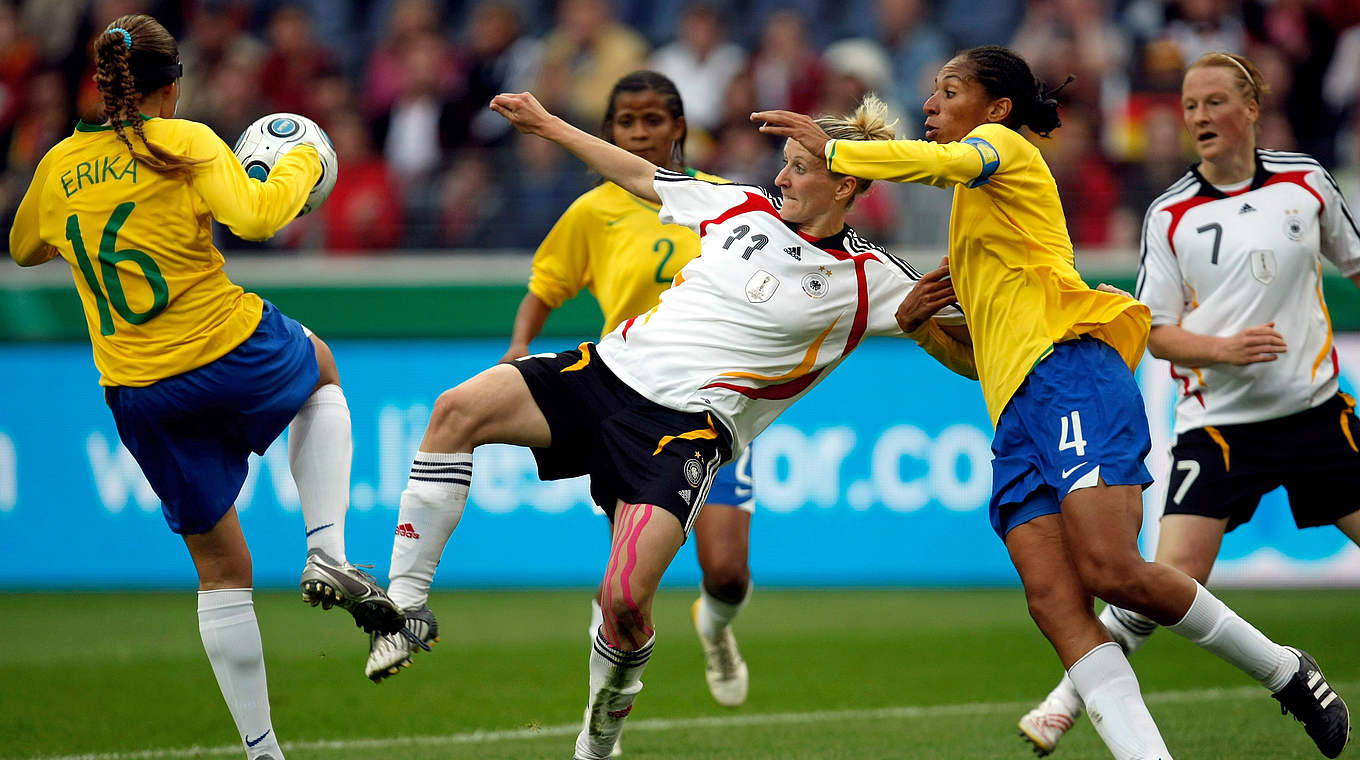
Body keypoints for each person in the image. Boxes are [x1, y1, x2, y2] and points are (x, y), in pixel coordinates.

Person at [753, 44, 1350, 760]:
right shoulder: (975, 225)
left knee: (1112, 571)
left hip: (1072, 374)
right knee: (1055, 604)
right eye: (932, 92)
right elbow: (982, 362)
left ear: (997, 109)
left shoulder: (1004, 151)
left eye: (949, 90)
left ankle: (1286, 672)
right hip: (1016, 414)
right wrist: (916, 327)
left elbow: (944, 163)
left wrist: (839, 154)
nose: (933, 103)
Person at [362, 88, 975, 760]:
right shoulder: (738, 205)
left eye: (800, 167)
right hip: (605, 374)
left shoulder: (873, 279)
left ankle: (600, 732)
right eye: (785, 163)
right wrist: (547, 123)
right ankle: (405, 608)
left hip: (684, 432)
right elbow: (635, 174)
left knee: (623, 602)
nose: (781, 176)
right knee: (455, 410)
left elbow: (974, 359)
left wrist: (924, 325)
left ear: (846, 182)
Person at [7, 15, 403, 760]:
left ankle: (262, 752)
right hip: (220, 345)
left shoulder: (58, 165)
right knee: (318, 367)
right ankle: (326, 550)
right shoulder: (182, 141)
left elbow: (24, 246)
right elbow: (254, 217)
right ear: (173, 85)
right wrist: (299, 167)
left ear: (97, 84)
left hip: (135, 386)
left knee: (222, 570)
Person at [1017, 51, 1360, 757]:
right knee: (1157, 584)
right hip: (1221, 426)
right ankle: (1064, 700)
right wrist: (1224, 350)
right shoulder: (1170, 213)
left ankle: (1062, 699)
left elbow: (1355, 262)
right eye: (1190, 104)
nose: (1199, 116)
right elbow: (1155, 331)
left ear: (1251, 106)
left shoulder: (1306, 183)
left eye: (1213, 101)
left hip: (1317, 413)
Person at [493, 71, 757, 717]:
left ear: (679, 128)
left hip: (713, 405)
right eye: (626, 123)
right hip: (631, 408)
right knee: (628, 579)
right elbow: (547, 285)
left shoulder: (721, 203)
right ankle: (605, 691)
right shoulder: (595, 211)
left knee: (725, 571)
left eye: (653, 121)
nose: (639, 133)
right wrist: (519, 345)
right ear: (609, 130)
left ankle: (716, 629)